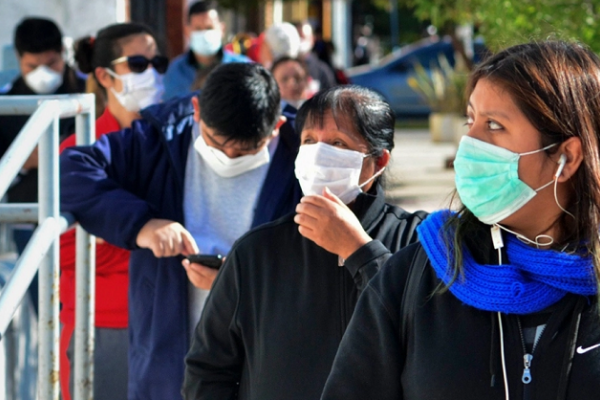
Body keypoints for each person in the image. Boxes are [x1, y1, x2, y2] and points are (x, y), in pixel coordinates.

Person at [321, 41, 600, 400]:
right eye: (471, 120)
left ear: (567, 156)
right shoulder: (413, 279)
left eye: (494, 125)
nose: (469, 142)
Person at [60, 62, 301, 400]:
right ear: (196, 109)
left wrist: (237, 286)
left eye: (246, 151)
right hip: (169, 355)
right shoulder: (157, 138)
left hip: (266, 359)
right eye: (216, 142)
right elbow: (71, 170)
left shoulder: (303, 152)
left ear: (276, 126)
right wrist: (141, 225)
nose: (227, 157)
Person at [182, 85, 427, 400]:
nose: (319, 155)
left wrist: (361, 253)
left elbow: (428, 339)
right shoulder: (257, 251)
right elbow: (208, 369)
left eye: (338, 143)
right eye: (309, 141)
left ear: (378, 162)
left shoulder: (418, 241)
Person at [58, 22, 167, 400]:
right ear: (103, 75)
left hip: (168, 322)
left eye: (157, 63)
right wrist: (142, 239)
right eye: (138, 64)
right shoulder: (79, 150)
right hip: (102, 325)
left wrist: (110, 233)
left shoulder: (173, 139)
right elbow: (63, 253)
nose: (151, 73)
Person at [0, 17, 86, 313]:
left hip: (86, 219)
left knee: (88, 308)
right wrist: (24, 161)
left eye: (51, 63)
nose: (43, 74)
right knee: (49, 311)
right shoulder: (6, 103)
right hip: (29, 219)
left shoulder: (89, 93)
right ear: (18, 60)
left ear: (63, 54)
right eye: (32, 66)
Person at [163, 0, 249, 99]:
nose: (204, 34)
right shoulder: (175, 71)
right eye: (198, 29)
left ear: (222, 29)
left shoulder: (243, 67)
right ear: (187, 31)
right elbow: (169, 110)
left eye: (209, 28)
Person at [293, 20, 337, 92]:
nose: (300, 41)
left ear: (312, 39)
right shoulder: (284, 67)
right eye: (298, 37)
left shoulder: (322, 69)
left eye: (303, 37)